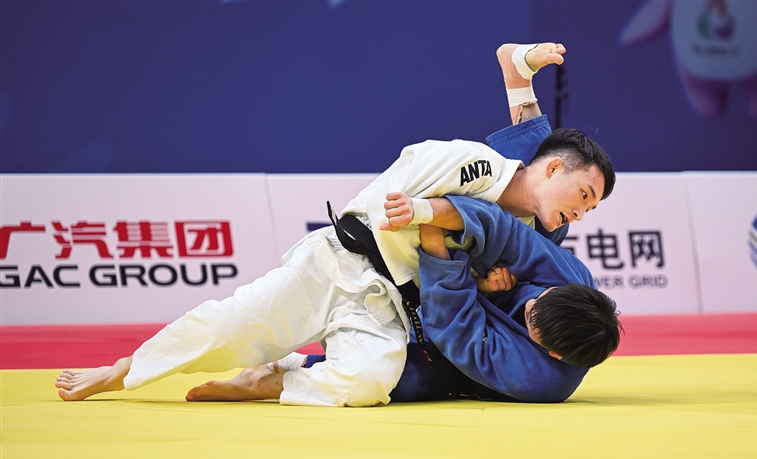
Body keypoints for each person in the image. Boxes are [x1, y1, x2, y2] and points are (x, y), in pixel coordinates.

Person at [55, 42, 614, 407]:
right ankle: (123, 369)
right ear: (556, 169)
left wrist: (479, 277)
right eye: (584, 196)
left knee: (370, 380)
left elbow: (506, 233)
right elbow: (417, 181)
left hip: (395, 305)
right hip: (343, 261)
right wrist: (427, 215)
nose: (583, 211)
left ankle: (274, 379)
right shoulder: (477, 167)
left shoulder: (541, 232)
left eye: (592, 207)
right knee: (230, 327)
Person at [185, 195, 622, 404]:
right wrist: (436, 214)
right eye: (537, 299)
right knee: (522, 219)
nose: (529, 305)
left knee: (398, 382)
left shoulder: (541, 379)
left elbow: (457, 332)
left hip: (456, 359)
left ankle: (282, 374)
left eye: (531, 321)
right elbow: (508, 234)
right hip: (446, 273)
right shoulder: (572, 279)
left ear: (552, 351)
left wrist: (443, 253)